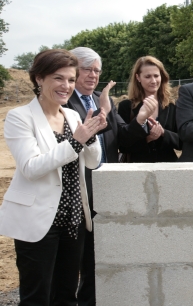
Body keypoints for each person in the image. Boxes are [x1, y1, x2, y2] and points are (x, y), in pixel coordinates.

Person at [0, 49, 108, 305]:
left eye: (71, 79)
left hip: (73, 219)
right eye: (59, 78)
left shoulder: (72, 115)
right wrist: (76, 141)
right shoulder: (19, 117)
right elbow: (31, 167)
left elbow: (93, 161)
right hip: (39, 222)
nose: (66, 86)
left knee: (66, 296)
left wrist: (90, 138)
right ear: (39, 78)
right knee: (37, 297)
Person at [66, 47, 156, 306]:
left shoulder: (102, 99)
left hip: (106, 189)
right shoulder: (64, 102)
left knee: (97, 257)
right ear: (73, 69)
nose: (93, 75)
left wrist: (139, 120)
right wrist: (102, 114)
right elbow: (74, 142)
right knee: (73, 260)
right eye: (87, 69)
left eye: (97, 71)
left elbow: (123, 141)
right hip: (77, 190)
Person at [118, 56, 181, 162]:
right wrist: (147, 139)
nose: (153, 81)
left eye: (156, 76)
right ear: (138, 77)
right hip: (138, 170)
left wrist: (163, 133)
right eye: (147, 76)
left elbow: (182, 142)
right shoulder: (126, 107)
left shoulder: (172, 106)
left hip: (167, 169)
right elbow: (123, 145)